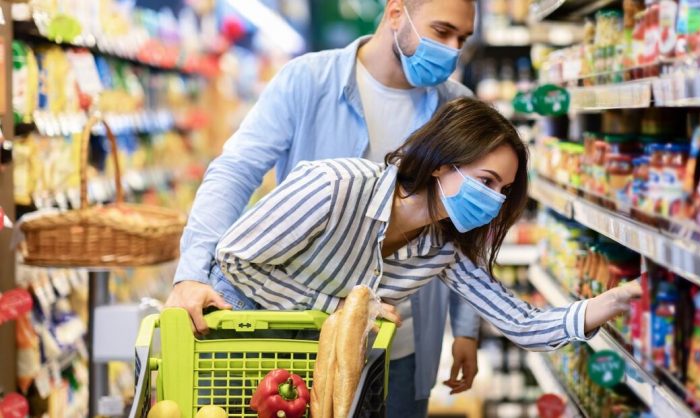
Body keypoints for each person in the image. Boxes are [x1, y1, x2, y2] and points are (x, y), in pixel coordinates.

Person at [166, 0, 482, 416]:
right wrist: (190, 273)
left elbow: (468, 225)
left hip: (401, 338)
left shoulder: (456, 106)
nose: (452, 50)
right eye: (442, 32)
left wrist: (466, 329)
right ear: (395, 13)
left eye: (462, 39)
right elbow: (235, 171)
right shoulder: (308, 79)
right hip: (303, 333)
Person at [211, 98, 642, 376]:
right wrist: (350, 310)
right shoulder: (335, 185)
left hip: (313, 370)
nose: (494, 200)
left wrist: (615, 301)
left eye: (504, 191)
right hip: (236, 347)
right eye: (486, 181)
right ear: (441, 163)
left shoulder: (441, 249)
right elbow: (234, 258)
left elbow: (522, 323)